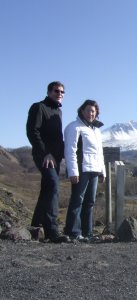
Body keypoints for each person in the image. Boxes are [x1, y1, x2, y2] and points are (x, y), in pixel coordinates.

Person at [26, 81, 70, 243]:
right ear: (49, 91)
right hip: (44, 156)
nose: (60, 94)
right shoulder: (38, 107)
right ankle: (52, 230)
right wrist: (46, 153)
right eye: (56, 91)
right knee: (53, 186)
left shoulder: (58, 112)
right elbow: (32, 131)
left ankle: (35, 227)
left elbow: (57, 138)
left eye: (62, 92)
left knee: (47, 189)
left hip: (56, 158)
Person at [64, 99, 106, 241]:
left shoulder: (96, 130)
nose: (91, 113)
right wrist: (73, 171)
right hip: (82, 169)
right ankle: (73, 232)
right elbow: (70, 151)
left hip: (94, 169)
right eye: (88, 110)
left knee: (89, 202)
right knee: (77, 201)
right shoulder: (74, 127)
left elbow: (100, 152)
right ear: (82, 111)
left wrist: (102, 171)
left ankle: (87, 233)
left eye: (93, 111)